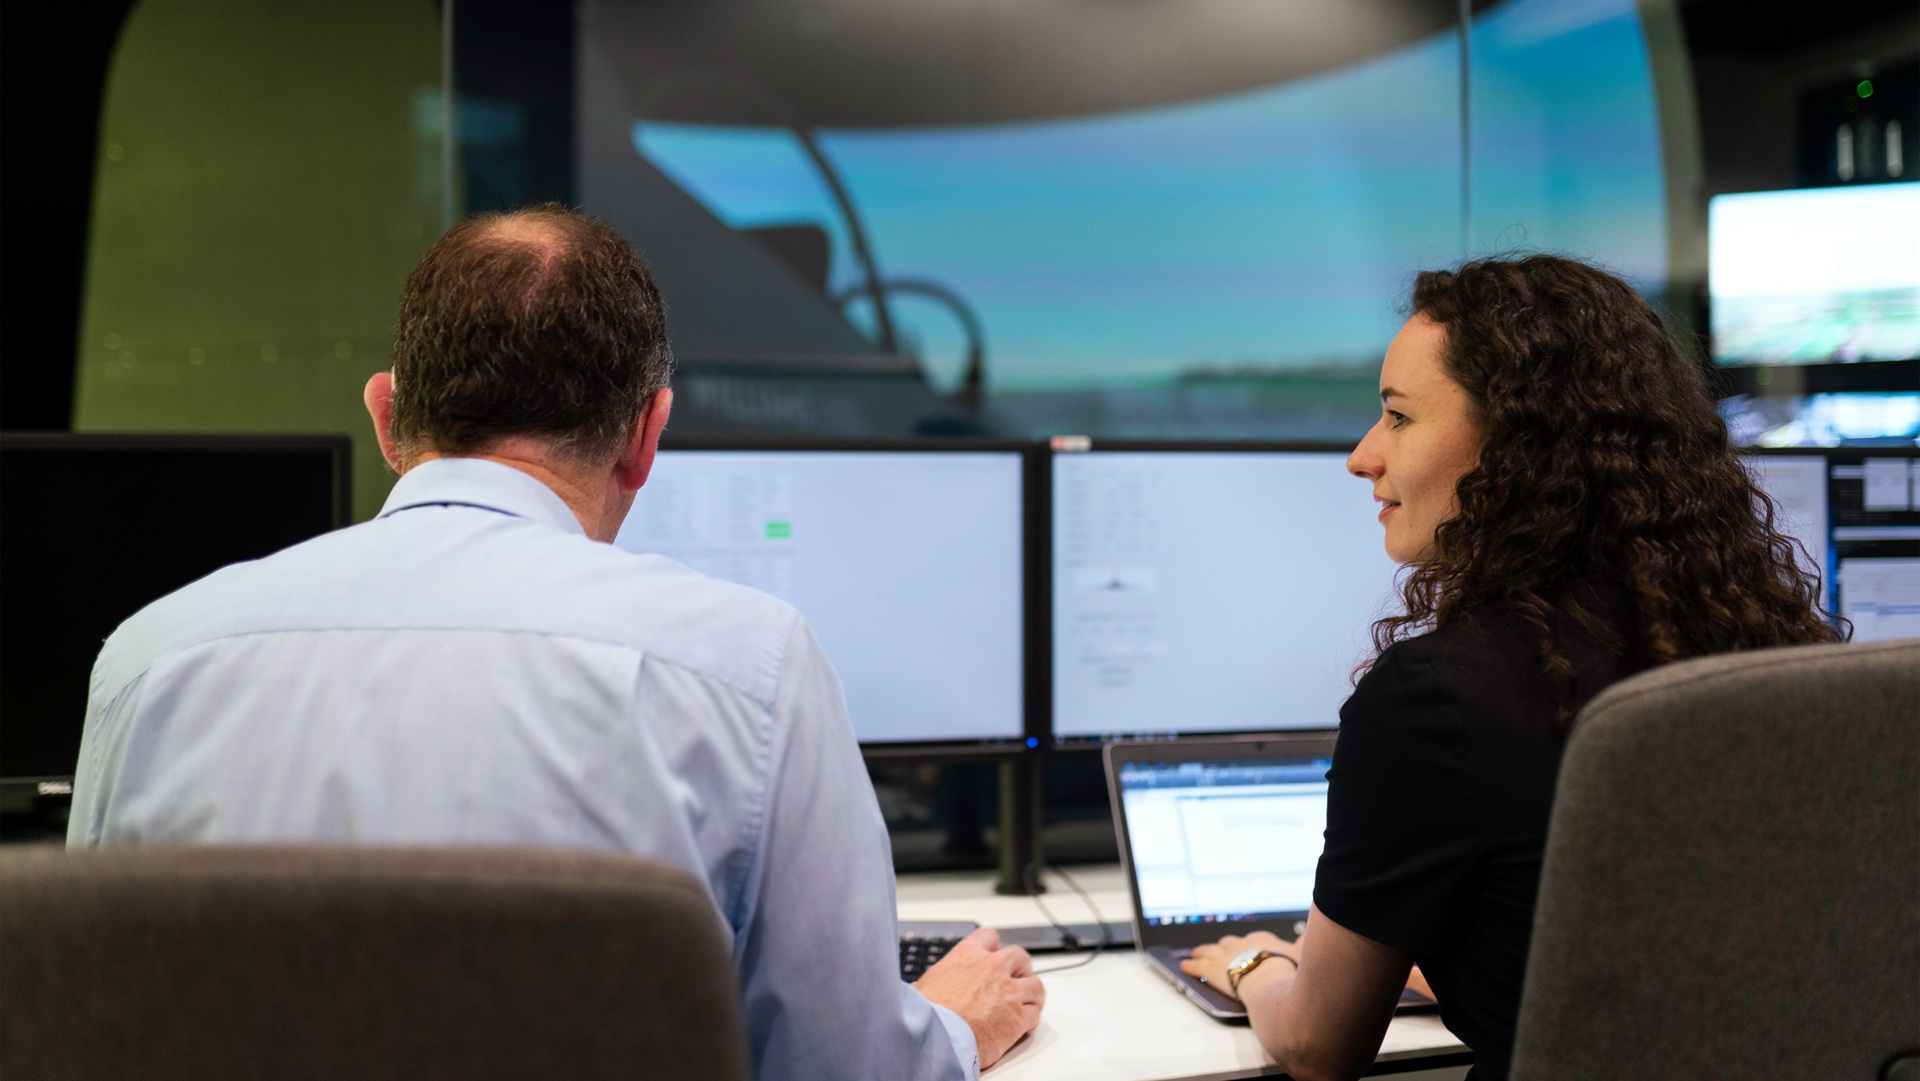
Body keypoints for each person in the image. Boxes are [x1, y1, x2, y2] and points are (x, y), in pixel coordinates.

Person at [66, 205, 1042, 1081]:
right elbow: (844, 1070)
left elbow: (86, 1030)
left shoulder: (147, 660)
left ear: (386, 415)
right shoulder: (751, 667)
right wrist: (951, 1026)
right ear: (647, 437)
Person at [1178, 255, 1839, 1081]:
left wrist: (1257, 966)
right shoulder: (1762, 647)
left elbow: (1319, 1044)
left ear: (1517, 445)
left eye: (1397, 417)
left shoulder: (1437, 698)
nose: (1362, 456)